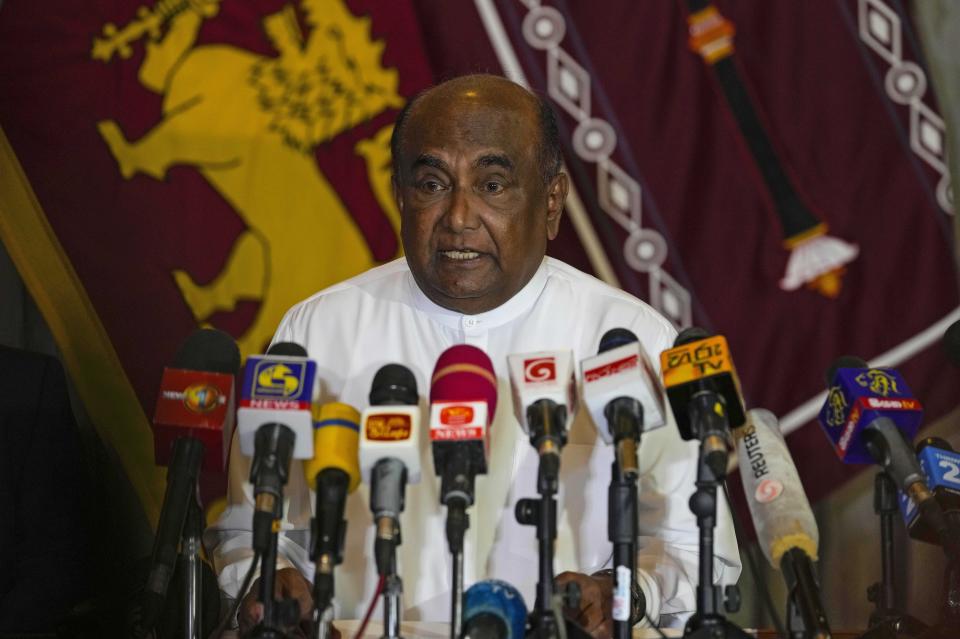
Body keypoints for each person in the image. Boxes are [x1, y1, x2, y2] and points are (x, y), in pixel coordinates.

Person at [204, 74, 740, 637]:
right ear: (399, 194)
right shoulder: (318, 329)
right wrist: (273, 579)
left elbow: (692, 545)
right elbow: (249, 531)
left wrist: (624, 593)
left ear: (551, 200)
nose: (459, 216)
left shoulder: (631, 338)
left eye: (492, 184)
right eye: (433, 184)